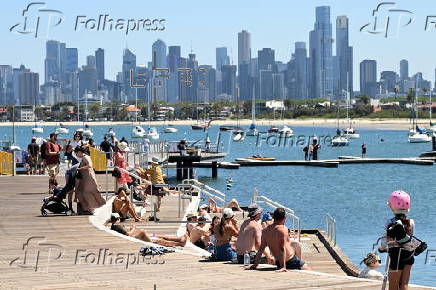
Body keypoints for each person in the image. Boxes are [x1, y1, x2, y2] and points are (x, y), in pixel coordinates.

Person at [379, 190, 417, 290]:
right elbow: (410, 237)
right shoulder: (411, 222)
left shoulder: (389, 222)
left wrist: (382, 248)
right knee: (404, 285)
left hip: (396, 256)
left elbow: (384, 241)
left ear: (391, 206)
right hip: (409, 254)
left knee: (393, 286)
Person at [110, 213, 187, 247]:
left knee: (157, 236)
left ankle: (179, 239)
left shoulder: (114, 226)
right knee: (159, 240)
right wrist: (133, 228)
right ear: (118, 219)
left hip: (136, 237)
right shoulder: (118, 226)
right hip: (135, 239)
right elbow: (129, 235)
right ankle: (180, 243)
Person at [74, 146, 105, 214]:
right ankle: (94, 207)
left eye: (76, 153)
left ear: (79, 152)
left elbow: (90, 165)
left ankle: (95, 207)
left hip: (89, 177)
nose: (76, 155)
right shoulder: (84, 157)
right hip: (86, 177)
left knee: (88, 192)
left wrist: (80, 169)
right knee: (89, 192)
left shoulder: (85, 157)